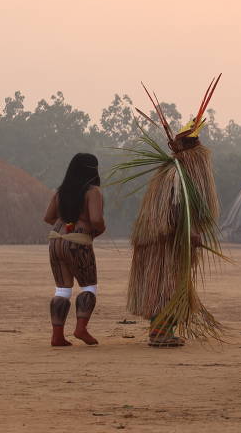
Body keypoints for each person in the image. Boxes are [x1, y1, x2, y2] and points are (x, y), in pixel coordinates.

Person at [115, 81, 224, 348]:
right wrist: (188, 234)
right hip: (165, 244)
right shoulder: (175, 176)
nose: (201, 150)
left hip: (168, 244)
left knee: (170, 286)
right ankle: (160, 333)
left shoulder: (177, 174)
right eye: (195, 144)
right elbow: (170, 215)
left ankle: (163, 331)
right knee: (165, 288)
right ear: (188, 149)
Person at [43, 153, 106, 347]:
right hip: (78, 242)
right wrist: (98, 230)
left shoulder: (61, 191)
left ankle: (57, 336)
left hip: (55, 240)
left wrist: (65, 226)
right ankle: (81, 328)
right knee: (88, 286)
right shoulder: (92, 191)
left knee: (62, 288)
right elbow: (95, 219)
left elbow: (48, 217)